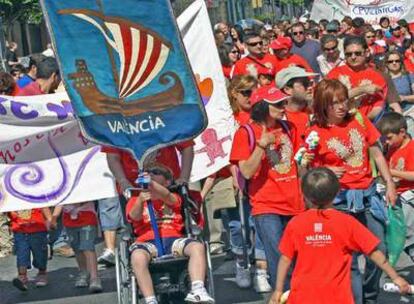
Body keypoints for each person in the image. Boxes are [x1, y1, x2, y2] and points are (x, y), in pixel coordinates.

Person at [306, 79, 397, 304]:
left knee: (379, 249)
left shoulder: (359, 119)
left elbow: (376, 153)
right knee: (349, 259)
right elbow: (306, 168)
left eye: (343, 100)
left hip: (366, 195)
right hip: (338, 199)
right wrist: (325, 169)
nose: (341, 106)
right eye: (334, 102)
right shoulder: (315, 132)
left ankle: (370, 295)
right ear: (322, 105)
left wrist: (390, 183)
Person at [269, 167, 410, 304]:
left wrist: (278, 290)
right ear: (337, 192)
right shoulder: (346, 222)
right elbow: (374, 252)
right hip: (337, 297)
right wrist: (396, 277)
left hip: (303, 296)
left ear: (304, 194)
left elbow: (285, 260)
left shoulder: (295, 224)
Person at [230, 86, 305, 288]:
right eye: (278, 104)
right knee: (281, 261)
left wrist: (307, 158)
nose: (284, 107)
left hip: (296, 204)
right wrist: (261, 147)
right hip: (267, 207)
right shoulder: (245, 133)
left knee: (301, 259)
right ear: (263, 107)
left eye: (284, 102)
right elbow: (245, 171)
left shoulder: (290, 127)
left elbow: (299, 163)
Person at [127, 165, 214, 304]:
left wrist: (151, 183)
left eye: (155, 172)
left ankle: (197, 289)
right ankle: (150, 300)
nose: (150, 174)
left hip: (173, 239)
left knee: (197, 247)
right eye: (148, 173)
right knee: (137, 256)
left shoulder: (174, 196)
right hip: (147, 242)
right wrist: (140, 201)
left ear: (167, 181)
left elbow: (167, 196)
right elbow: (134, 217)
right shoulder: (135, 199)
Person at [378, 113, 414, 262]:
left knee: (409, 236)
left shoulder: (411, 148)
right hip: (396, 197)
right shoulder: (392, 148)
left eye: (390, 137)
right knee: (402, 235)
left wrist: (390, 172)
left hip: (409, 198)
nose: (387, 141)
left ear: (402, 132)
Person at [327, 36, 387, 122]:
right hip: (338, 123)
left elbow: (378, 106)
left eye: (357, 53)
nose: (353, 57)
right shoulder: (335, 73)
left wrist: (362, 121)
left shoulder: (376, 77)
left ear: (366, 52)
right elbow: (328, 99)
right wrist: (362, 90)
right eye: (348, 54)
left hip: (366, 123)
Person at [51, 202, 102, 293]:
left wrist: (78, 203)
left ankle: (94, 277)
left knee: (88, 247)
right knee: (77, 248)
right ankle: (83, 272)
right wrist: (54, 217)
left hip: (87, 217)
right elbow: (60, 200)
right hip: (69, 221)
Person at [8, 207, 52, 291]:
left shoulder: (35, 195)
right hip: (19, 230)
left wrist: (50, 219)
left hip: (38, 229)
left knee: (40, 254)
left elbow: (44, 206)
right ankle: (22, 277)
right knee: (22, 254)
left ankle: (42, 273)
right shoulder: (12, 196)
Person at [275, 66, 317, 137]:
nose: (310, 87)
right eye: (305, 84)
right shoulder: (278, 119)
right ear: (287, 90)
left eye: (310, 83)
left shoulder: (318, 111)